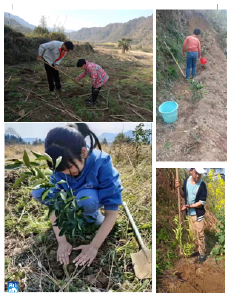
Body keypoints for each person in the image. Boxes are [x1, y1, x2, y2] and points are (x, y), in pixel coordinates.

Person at [31, 123, 123, 267]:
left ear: (84, 153)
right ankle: (69, 217)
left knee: (86, 198)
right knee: (39, 190)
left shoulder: (102, 163)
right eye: (61, 171)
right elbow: (53, 203)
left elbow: (112, 212)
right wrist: (62, 241)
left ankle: (92, 217)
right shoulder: (59, 167)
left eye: (70, 169)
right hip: (69, 203)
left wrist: (93, 247)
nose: (67, 174)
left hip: (88, 201)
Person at [175, 168, 207, 263]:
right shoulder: (186, 181)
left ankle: (202, 253)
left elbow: (201, 202)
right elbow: (183, 195)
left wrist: (188, 206)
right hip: (189, 213)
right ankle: (197, 249)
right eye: (196, 173)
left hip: (198, 213)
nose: (198, 176)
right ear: (191, 171)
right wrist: (179, 187)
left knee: (200, 234)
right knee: (192, 234)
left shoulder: (202, 185)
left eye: (200, 174)